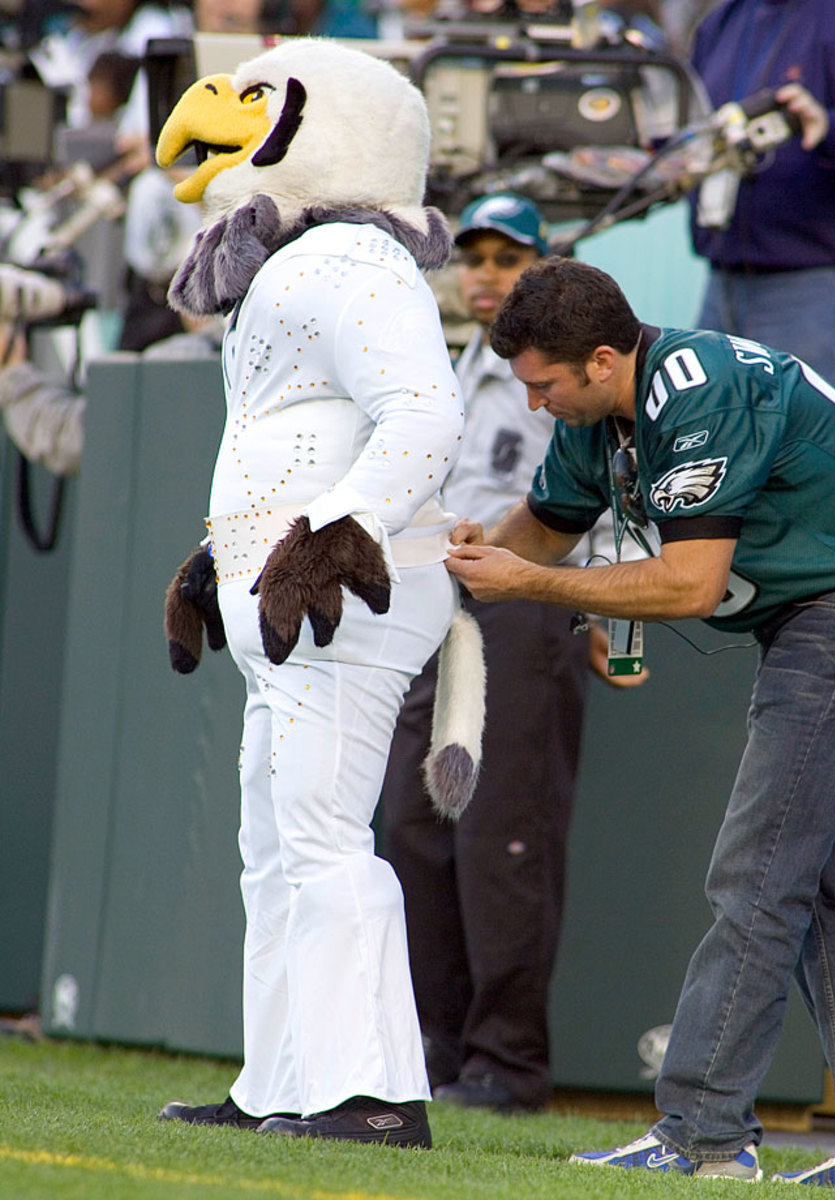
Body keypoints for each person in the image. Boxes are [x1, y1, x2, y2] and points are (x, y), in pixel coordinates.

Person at [444, 255, 835, 1188]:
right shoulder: (603, 412)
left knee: (754, 874)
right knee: (813, 891)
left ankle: (703, 1132)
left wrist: (530, 584)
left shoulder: (694, 391)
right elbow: (540, 527)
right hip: (827, 615)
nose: (534, 406)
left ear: (597, 359)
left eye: (543, 386)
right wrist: (459, 555)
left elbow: (688, 583)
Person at [154, 36, 484, 1148]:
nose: (226, 116)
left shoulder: (350, 260)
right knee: (276, 840)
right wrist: (225, 560)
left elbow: (424, 417)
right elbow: (291, 438)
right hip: (289, 592)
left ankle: (374, 1094)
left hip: (341, 596)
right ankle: (283, 1084)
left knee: (321, 836)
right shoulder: (308, 262)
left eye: (260, 101)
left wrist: (334, 537)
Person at [379, 194, 644, 1115]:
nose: (487, 271)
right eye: (475, 254)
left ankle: (507, 1061)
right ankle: (437, 1044)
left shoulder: (573, 373)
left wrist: (602, 601)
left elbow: (612, 486)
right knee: (414, 826)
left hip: (529, 604)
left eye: (509, 255)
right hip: (439, 601)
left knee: (505, 835)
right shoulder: (447, 366)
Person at [687, 0, 835, 417]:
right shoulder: (720, 22)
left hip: (815, 289)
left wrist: (828, 127)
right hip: (721, 282)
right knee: (713, 457)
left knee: (815, 467)